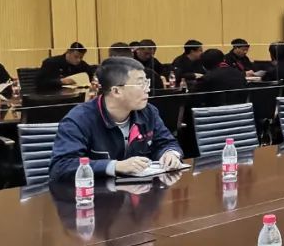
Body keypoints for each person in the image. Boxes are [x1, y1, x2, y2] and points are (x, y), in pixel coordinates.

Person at [49, 57, 183, 180]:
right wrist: (115, 166)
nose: (147, 89)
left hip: (139, 192)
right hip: (96, 194)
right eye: (140, 84)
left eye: (146, 82)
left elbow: (166, 142)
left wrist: (170, 153)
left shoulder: (148, 112)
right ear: (116, 91)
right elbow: (61, 166)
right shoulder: (80, 119)